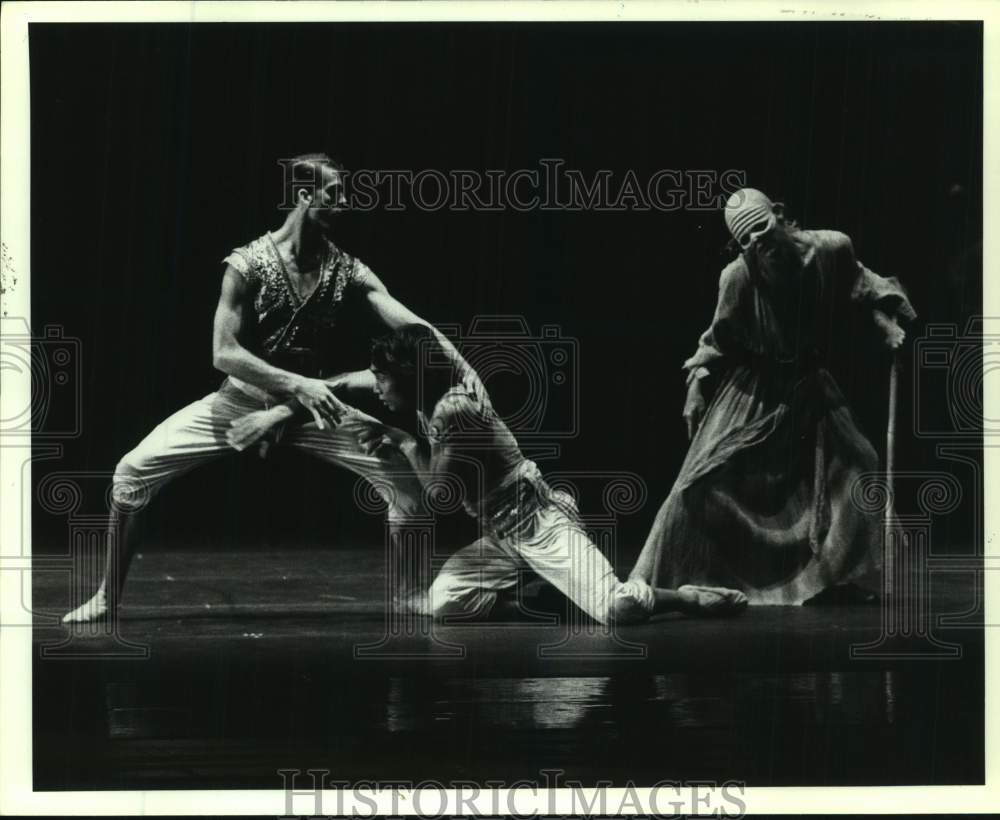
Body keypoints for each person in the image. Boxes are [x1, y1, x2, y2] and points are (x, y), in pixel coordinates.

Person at [63, 153, 448, 623]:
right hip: (239, 402)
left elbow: (408, 322)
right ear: (305, 196)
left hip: (311, 412)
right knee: (130, 472)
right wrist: (299, 384)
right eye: (335, 194)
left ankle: (407, 594)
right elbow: (223, 353)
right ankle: (107, 597)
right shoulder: (247, 264)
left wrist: (454, 359)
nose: (345, 203)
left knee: (404, 484)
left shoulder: (347, 270)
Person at [237, 323, 750, 624]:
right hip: (504, 534)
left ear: (410, 377)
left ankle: (684, 597)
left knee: (614, 610)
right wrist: (289, 407)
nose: (377, 388)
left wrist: (403, 444)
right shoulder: (428, 395)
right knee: (441, 603)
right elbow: (352, 382)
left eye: (383, 379)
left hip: (541, 522)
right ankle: (535, 593)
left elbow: (437, 498)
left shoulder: (452, 412)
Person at [629, 188, 917, 605]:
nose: (758, 244)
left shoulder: (831, 248)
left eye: (762, 229)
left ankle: (835, 577)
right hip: (755, 387)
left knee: (859, 466)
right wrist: (695, 384)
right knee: (700, 483)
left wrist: (884, 321)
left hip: (809, 383)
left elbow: (861, 283)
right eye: (746, 240)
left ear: (780, 214)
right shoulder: (738, 276)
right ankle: (669, 579)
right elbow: (718, 339)